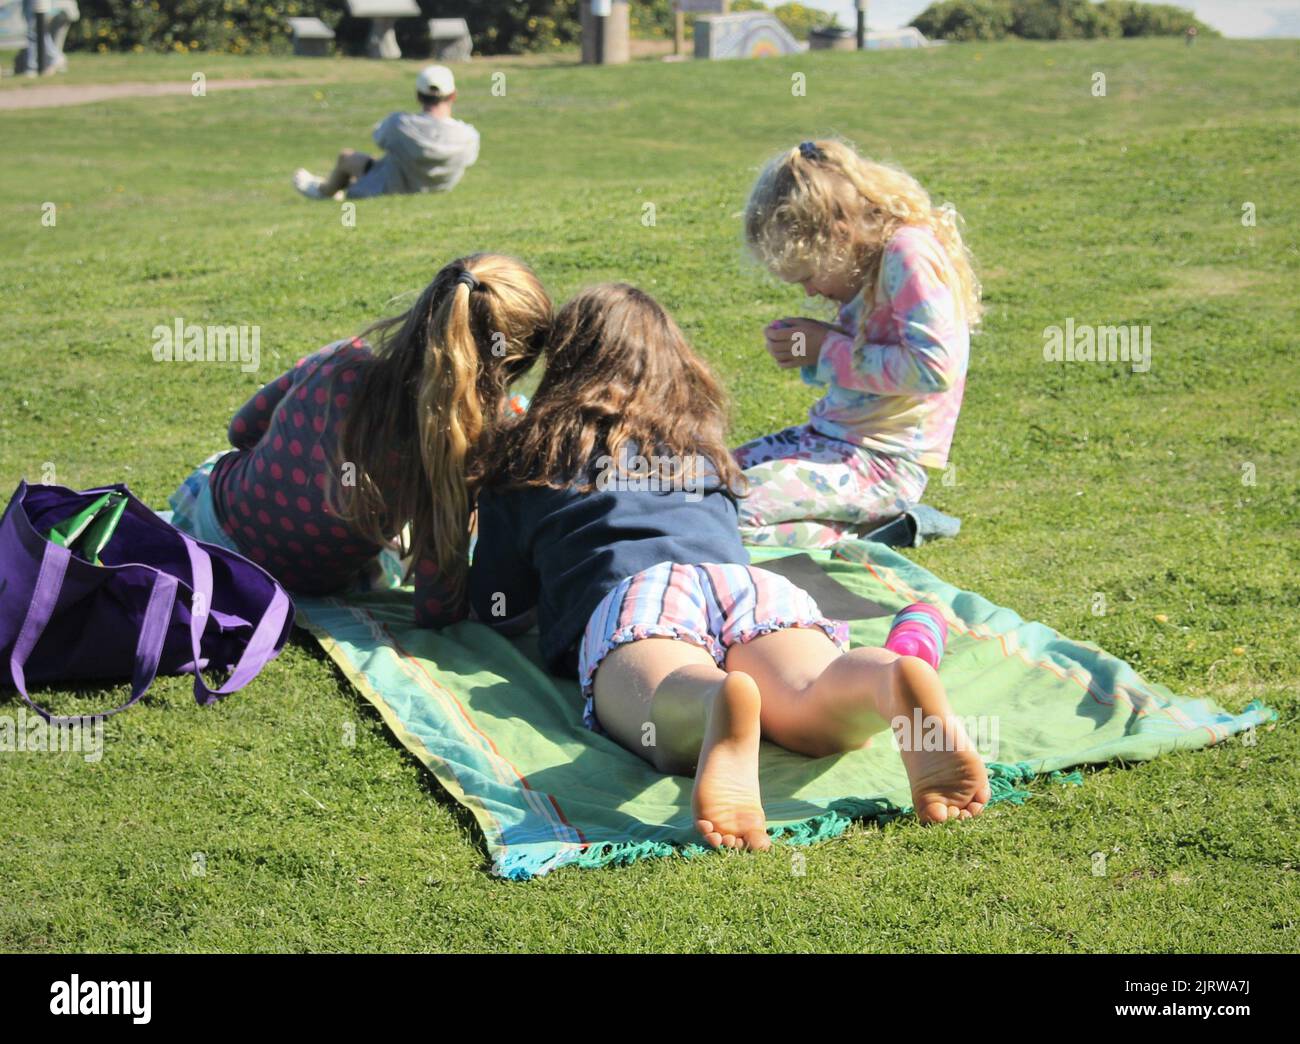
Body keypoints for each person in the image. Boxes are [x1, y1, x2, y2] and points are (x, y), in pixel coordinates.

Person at [469, 284, 989, 851]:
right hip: (750, 586)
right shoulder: (700, 449)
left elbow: (501, 607)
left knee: (664, 693)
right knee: (811, 696)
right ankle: (886, 681)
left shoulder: (528, 459)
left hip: (638, 594)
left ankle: (716, 700)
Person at [167, 254, 552, 628]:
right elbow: (436, 603)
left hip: (213, 531)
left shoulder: (340, 360)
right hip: (300, 584)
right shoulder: (456, 448)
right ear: (514, 363)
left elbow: (242, 431)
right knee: (393, 545)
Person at [734, 139, 981, 548]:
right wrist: (816, 344)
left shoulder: (908, 254)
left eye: (808, 276)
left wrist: (824, 349)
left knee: (735, 511)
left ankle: (872, 532)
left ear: (838, 236)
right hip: (829, 438)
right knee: (706, 484)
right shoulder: (872, 263)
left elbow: (934, 367)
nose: (811, 291)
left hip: (882, 465)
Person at [293, 65, 480, 201]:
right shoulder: (469, 137)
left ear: (418, 95)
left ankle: (324, 191)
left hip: (391, 186)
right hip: (438, 188)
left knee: (347, 157)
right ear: (454, 95)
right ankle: (334, 188)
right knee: (368, 162)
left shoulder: (399, 124)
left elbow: (379, 138)